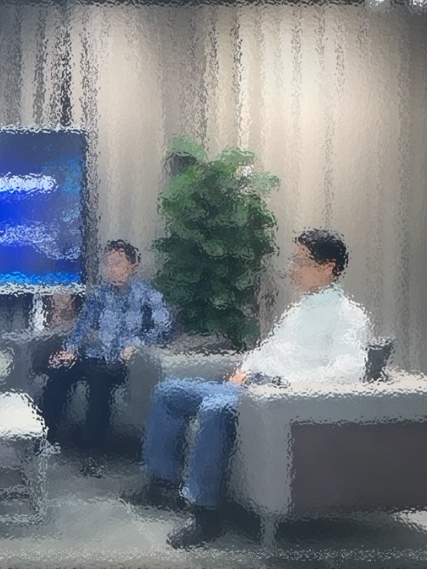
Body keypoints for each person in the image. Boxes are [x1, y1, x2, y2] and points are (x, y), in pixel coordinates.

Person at [128, 229, 372, 548]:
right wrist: (245, 369)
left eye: (301, 262)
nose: (292, 269)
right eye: (293, 260)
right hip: (253, 385)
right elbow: (268, 350)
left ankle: (205, 514)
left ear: (328, 267)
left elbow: (349, 370)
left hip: (276, 396)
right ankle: (161, 484)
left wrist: (287, 385)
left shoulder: (349, 316)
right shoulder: (299, 310)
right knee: (169, 392)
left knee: (214, 409)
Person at [42, 240, 173, 477]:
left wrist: (138, 345)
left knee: (99, 379)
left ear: (133, 266)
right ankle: (46, 438)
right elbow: (82, 327)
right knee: (60, 369)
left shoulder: (147, 295)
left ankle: (93, 452)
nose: (113, 270)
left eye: (118, 264)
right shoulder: (99, 294)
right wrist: (71, 349)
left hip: (122, 362)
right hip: (96, 355)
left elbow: (164, 328)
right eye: (109, 265)